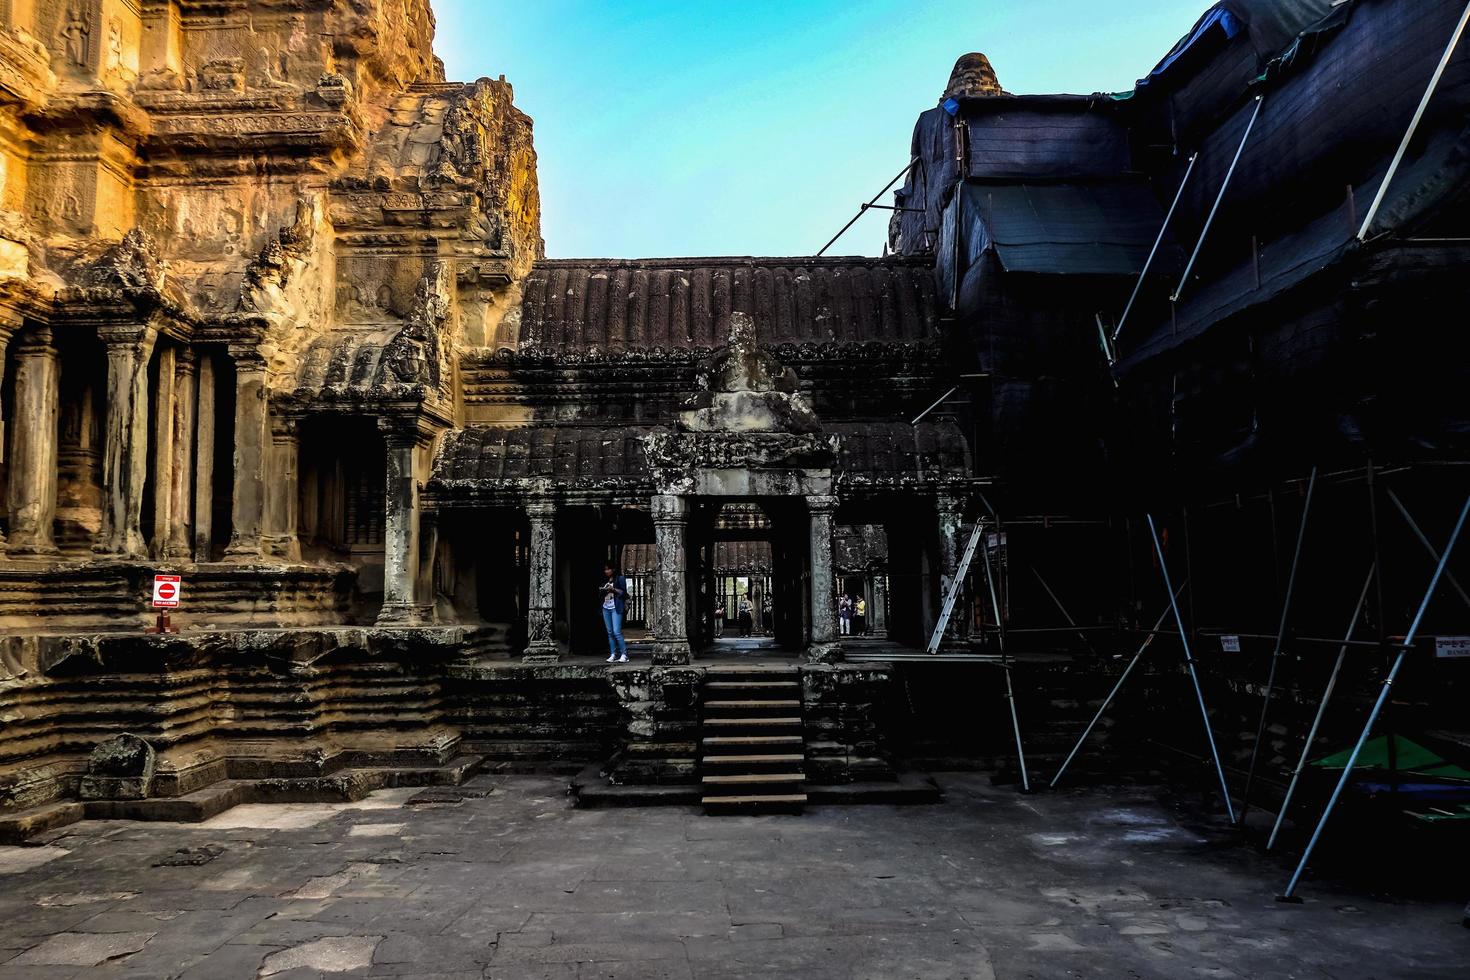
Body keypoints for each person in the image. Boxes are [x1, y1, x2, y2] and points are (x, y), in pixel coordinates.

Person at [600, 563, 628, 663]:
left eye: (608, 569)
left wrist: (613, 589)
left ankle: (624, 654)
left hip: (616, 607)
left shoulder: (620, 579)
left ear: (613, 569)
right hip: (606, 607)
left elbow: (624, 593)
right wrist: (603, 590)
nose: (606, 571)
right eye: (605, 570)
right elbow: (599, 595)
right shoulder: (604, 580)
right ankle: (613, 654)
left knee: (617, 632)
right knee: (610, 633)